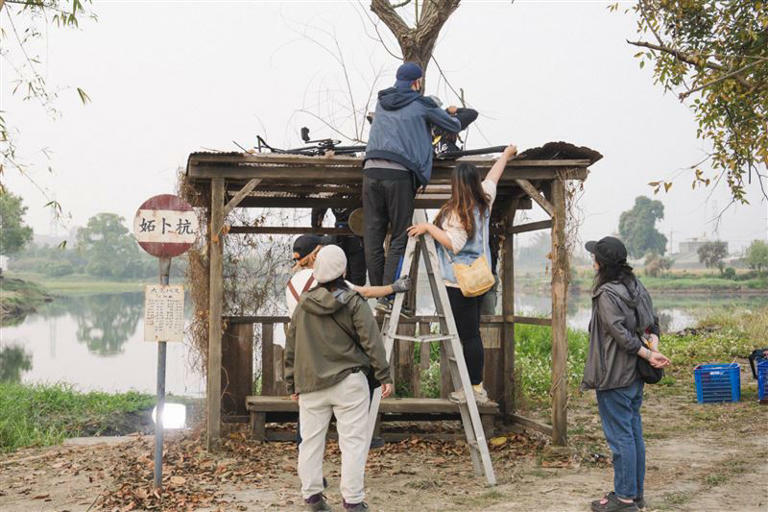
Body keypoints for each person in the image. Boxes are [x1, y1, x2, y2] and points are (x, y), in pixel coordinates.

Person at [407, 143, 518, 405]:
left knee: (468, 336)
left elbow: (453, 243)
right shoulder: (484, 202)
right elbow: (494, 177)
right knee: (472, 334)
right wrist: (506, 155)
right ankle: (474, 387)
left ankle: (475, 389)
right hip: (479, 278)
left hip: (459, 283)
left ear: (456, 184)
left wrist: (426, 227)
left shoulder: (458, 212)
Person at [285, 245, 393, 512]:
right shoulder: (355, 301)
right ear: (344, 269)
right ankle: (353, 501)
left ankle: (312, 498)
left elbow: (291, 349)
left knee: (310, 442)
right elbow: (371, 340)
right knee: (353, 442)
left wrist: (291, 383)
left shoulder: (303, 306)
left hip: (310, 384)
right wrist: (384, 375)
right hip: (349, 382)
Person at [581, 236, 671, 512]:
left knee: (621, 437)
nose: (592, 261)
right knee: (632, 434)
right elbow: (651, 324)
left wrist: (647, 354)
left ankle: (625, 499)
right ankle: (634, 495)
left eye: (594, 257)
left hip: (614, 374)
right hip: (634, 376)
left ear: (601, 264)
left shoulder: (607, 293)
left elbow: (620, 334)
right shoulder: (635, 286)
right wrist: (653, 348)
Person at [363, 62, 462, 310]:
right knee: (399, 235)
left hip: (370, 171)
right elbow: (454, 126)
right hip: (399, 173)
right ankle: (388, 295)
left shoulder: (381, 102)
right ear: (417, 82)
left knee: (373, 236)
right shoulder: (421, 103)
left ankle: (378, 294)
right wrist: (447, 112)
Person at [287, 235, 410, 316]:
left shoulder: (291, 284)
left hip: (301, 347)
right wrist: (394, 287)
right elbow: (364, 292)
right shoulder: (322, 278)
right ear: (315, 254)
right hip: (323, 346)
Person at [311, 207, 366, 286]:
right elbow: (317, 210)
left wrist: (318, 236)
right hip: (352, 234)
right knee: (355, 278)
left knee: (346, 276)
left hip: (347, 234)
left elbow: (317, 210)